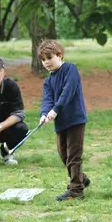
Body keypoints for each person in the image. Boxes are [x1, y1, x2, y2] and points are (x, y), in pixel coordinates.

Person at [38, 39, 90, 201]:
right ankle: (82, 179)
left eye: (49, 58)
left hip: (75, 119)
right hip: (61, 123)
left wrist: (55, 110)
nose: (46, 62)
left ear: (59, 55)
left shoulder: (70, 69)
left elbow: (67, 92)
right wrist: (44, 113)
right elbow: (47, 99)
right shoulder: (48, 80)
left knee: (74, 155)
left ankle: (76, 191)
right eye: (43, 60)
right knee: (64, 155)